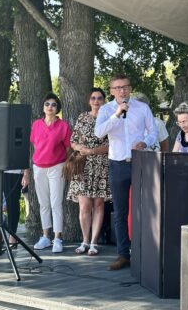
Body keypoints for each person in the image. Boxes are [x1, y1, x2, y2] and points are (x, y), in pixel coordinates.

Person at [95, 74, 157, 270]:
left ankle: (145, 252)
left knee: (145, 209)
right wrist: (117, 114)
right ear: (112, 91)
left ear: (130, 88)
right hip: (118, 163)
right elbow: (99, 133)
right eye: (118, 87)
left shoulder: (142, 107)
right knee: (120, 211)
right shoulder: (106, 110)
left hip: (140, 162)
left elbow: (153, 132)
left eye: (125, 87)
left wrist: (145, 142)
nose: (122, 90)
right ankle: (123, 254)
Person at [23, 92, 72, 253]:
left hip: (57, 167)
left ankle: (57, 238)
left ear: (57, 108)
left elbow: (68, 148)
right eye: (47, 104)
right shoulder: (36, 124)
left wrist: (66, 164)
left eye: (54, 105)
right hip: (39, 167)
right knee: (43, 204)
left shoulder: (63, 126)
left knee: (56, 204)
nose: (50, 107)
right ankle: (45, 237)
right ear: (43, 107)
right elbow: (35, 146)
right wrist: (29, 170)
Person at [67, 88, 111, 256]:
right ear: (89, 100)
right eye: (93, 98)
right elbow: (73, 141)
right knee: (85, 205)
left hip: (101, 164)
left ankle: (94, 242)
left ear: (104, 100)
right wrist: (81, 148)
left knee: (98, 204)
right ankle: (84, 240)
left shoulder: (109, 118)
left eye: (99, 98)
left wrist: (93, 151)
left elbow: (112, 144)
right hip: (82, 165)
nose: (96, 101)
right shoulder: (82, 117)